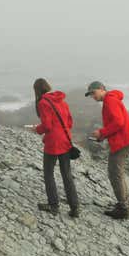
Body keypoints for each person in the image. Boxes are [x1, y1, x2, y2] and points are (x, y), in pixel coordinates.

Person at [86, 81, 129, 219]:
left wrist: (102, 132)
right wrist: (103, 136)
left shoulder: (110, 100)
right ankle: (125, 205)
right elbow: (116, 124)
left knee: (115, 174)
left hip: (122, 142)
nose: (93, 96)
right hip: (123, 140)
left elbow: (118, 122)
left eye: (93, 92)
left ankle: (124, 208)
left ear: (101, 89)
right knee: (117, 173)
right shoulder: (111, 99)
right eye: (91, 94)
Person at [29, 78, 80, 218]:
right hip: (65, 141)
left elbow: (47, 126)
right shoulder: (61, 101)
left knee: (48, 173)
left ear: (37, 90)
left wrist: (36, 129)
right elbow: (69, 122)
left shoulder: (43, 103)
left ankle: (54, 206)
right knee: (67, 174)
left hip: (53, 143)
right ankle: (74, 207)